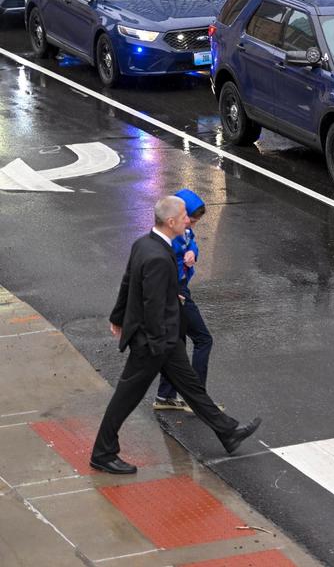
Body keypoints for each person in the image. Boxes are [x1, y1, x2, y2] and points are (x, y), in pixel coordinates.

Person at [90, 196, 260, 475]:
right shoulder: (157, 255)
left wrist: (118, 316)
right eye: (183, 216)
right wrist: (159, 346)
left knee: (191, 386)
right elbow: (153, 306)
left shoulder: (145, 244)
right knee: (126, 396)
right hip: (154, 342)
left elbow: (128, 281)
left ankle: (228, 432)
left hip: (162, 340)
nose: (188, 220)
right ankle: (103, 452)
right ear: (170, 222)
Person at [153, 189, 215, 413]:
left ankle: (166, 395)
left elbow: (192, 242)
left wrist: (192, 253)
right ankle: (197, 398)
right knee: (203, 339)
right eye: (190, 220)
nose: (191, 225)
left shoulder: (184, 230)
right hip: (176, 291)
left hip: (178, 287)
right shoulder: (168, 235)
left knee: (176, 342)